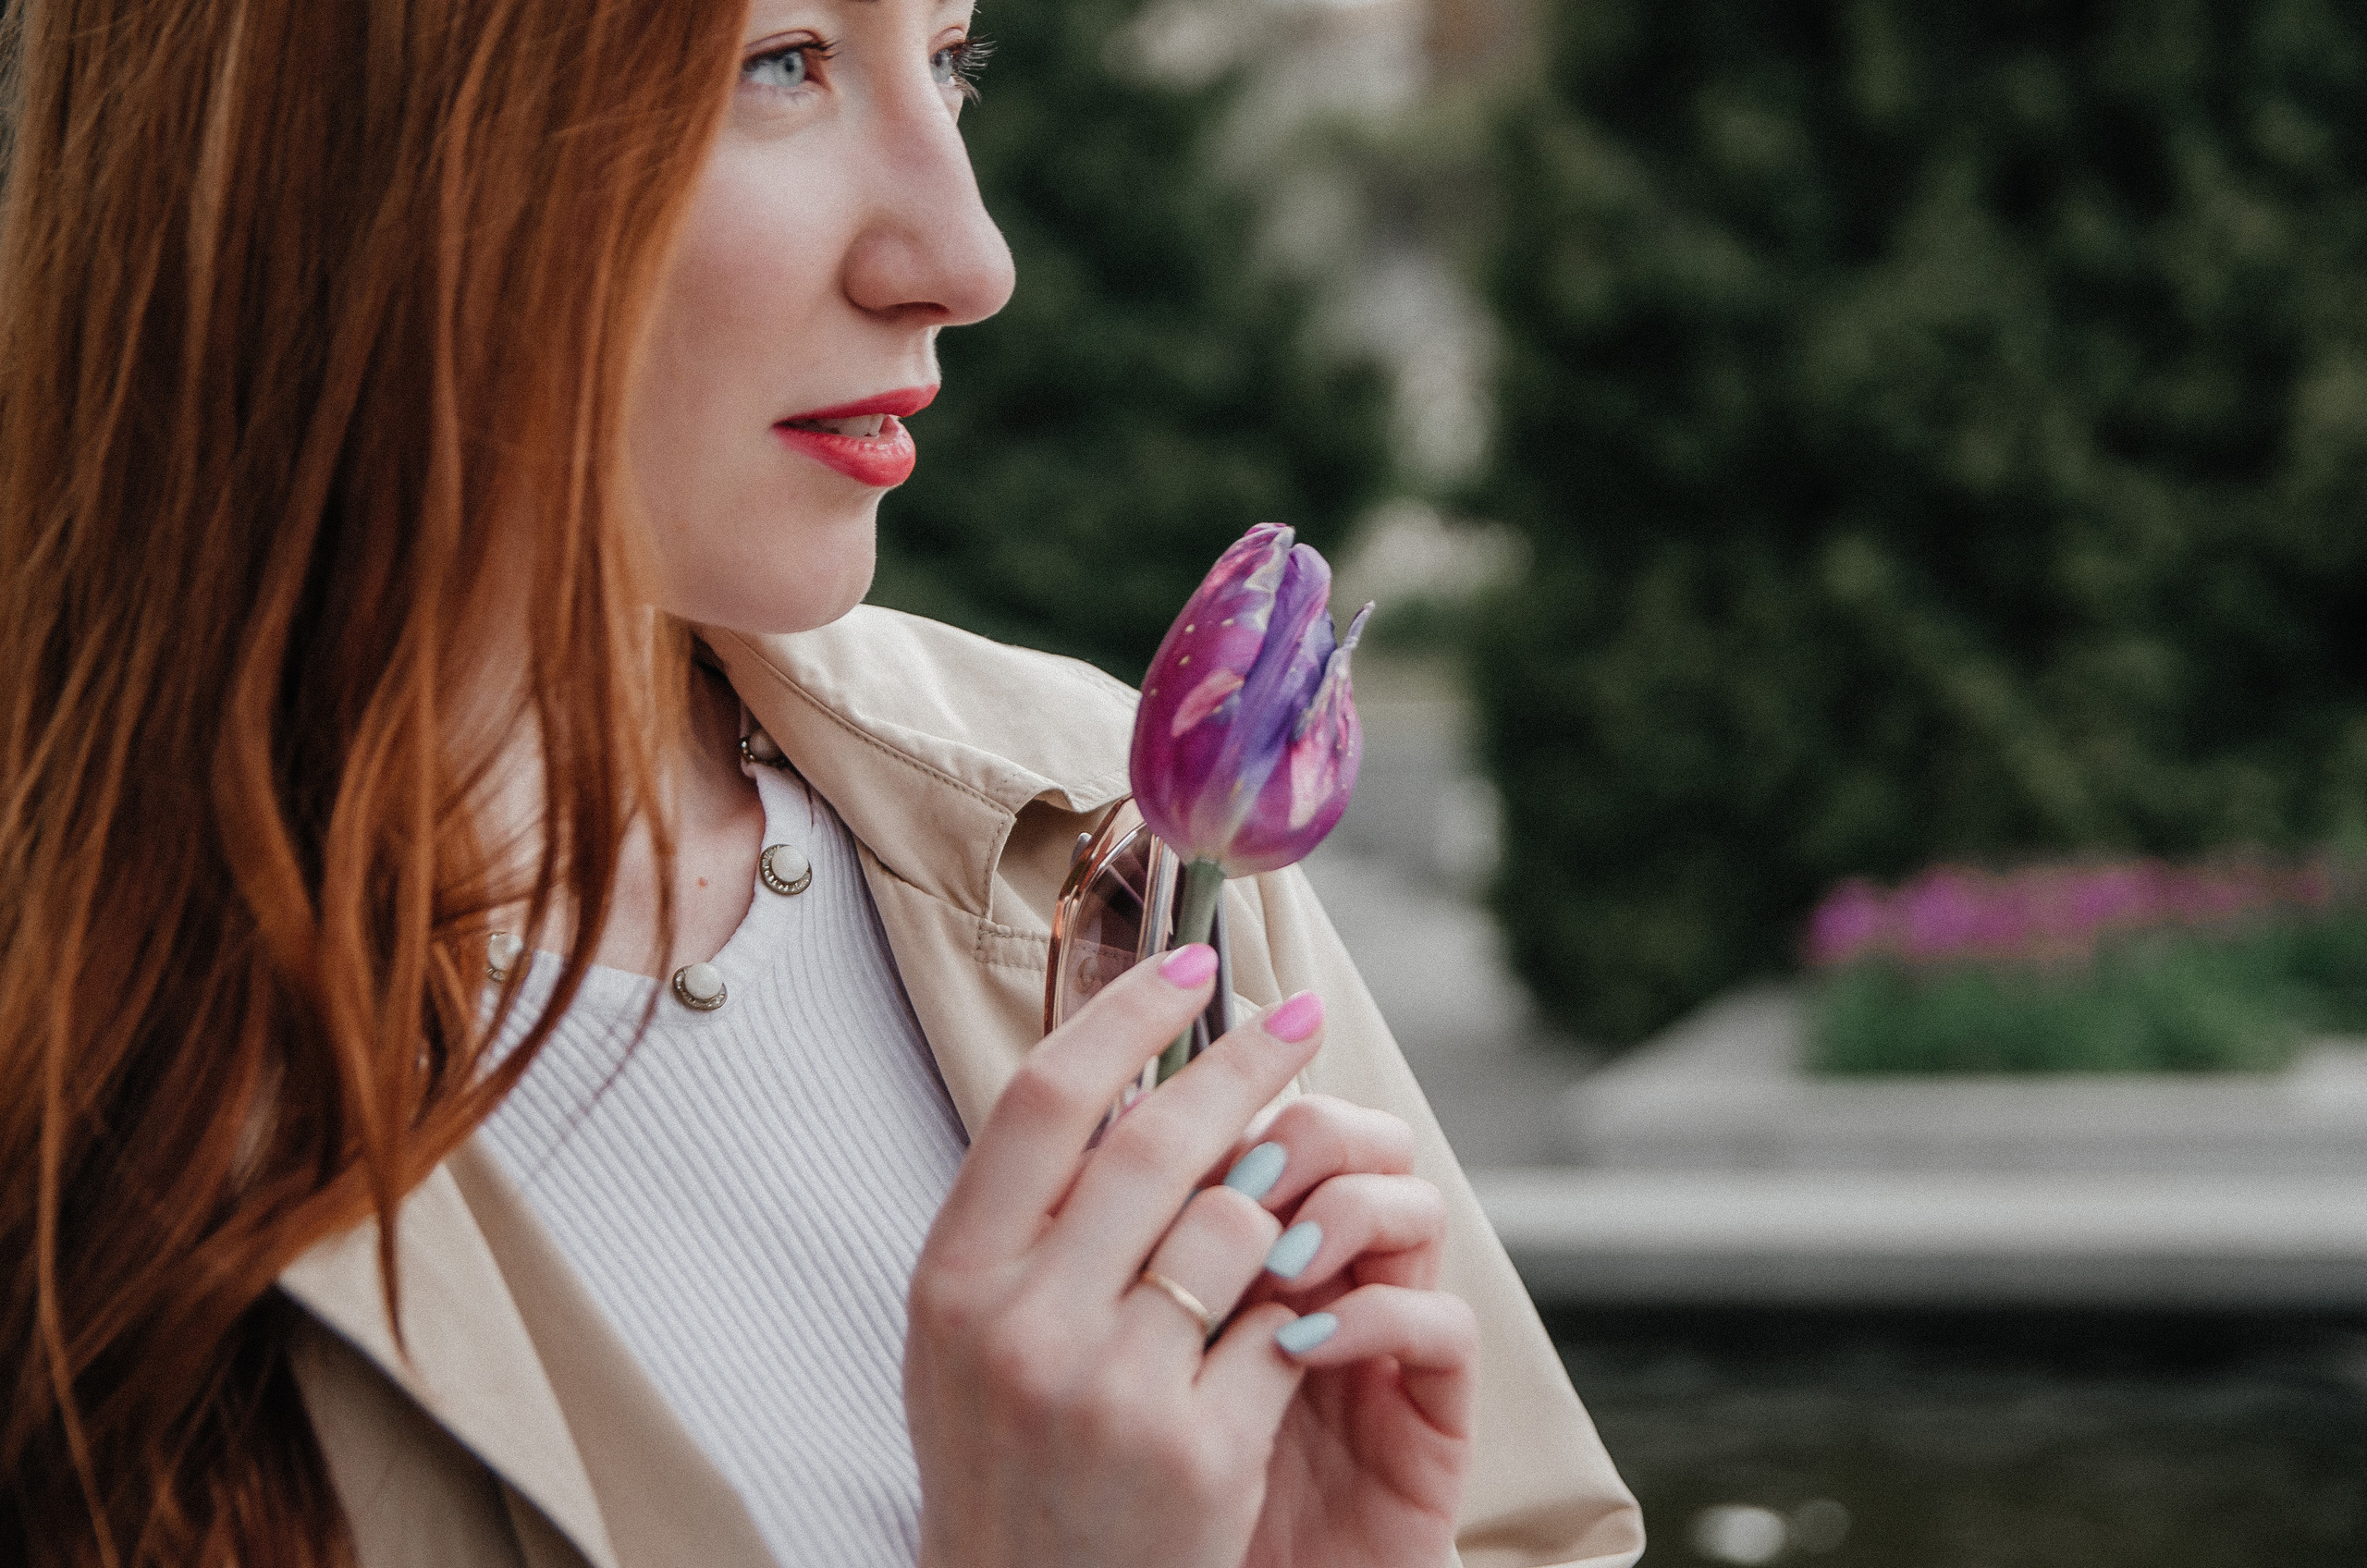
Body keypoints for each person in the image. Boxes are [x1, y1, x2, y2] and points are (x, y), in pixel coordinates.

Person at [0, 0, 1645, 1564]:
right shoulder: (64, 1054)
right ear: (345, 133)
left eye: (953, 56)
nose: (968, 260)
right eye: (781, 60)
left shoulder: (1108, 822)